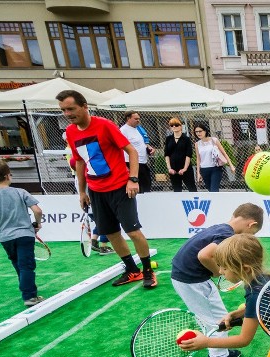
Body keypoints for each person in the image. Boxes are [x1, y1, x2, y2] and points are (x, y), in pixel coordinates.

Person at [57, 89, 157, 289]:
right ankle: (132, 271)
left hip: (120, 187)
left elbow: (132, 151)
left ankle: (148, 271)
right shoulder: (70, 132)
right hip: (95, 191)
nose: (67, 114)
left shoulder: (105, 125)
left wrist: (133, 179)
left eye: (71, 109)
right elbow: (79, 162)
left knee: (133, 232)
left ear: (84, 106)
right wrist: (82, 192)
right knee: (111, 234)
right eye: (63, 110)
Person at [171, 203, 263, 357]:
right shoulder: (227, 236)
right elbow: (205, 255)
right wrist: (216, 271)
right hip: (192, 279)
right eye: (252, 234)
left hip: (188, 276)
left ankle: (222, 351)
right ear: (251, 224)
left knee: (217, 316)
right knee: (216, 321)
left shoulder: (221, 228)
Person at [0, 158, 45, 307]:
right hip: (24, 234)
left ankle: (27, 290)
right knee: (26, 265)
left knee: (17, 263)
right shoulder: (20, 192)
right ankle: (29, 296)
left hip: (4, 236)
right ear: (8, 175)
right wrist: (38, 224)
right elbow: (37, 210)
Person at [193, 122, 236, 192]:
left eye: (200, 131)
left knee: (214, 190)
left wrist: (231, 165)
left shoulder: (214, 140)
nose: (198, 133)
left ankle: (217, 202)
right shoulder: (197, 144)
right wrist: (198, 173)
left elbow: (224, 153)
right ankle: (217, 202)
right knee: (210, 190)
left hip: (215, 168)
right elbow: (198, 159)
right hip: (204, 169)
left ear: (205, 131)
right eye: (196, 132)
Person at [119, 111, 153, 193]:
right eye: (136, 119)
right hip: (131, 163)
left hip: (142, 163)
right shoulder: (123, 130)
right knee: (138, 187)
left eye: (139, 119)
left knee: (146, 186)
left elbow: (140, 143)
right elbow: (121, 147)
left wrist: (148, 148)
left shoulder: (138, 129)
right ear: (128, 118)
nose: (138, 120)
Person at [164, 118, 196, 192]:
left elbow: (188, 154)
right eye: (171, 125)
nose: (174, 127)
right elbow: (166, 154)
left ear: (181, 126)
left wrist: (184, 169)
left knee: (192, 188)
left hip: (185, 168)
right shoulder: (168, 139)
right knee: (177, 189)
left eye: (176, 125)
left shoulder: (186, 139)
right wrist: (169, 168)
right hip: (173, 168)